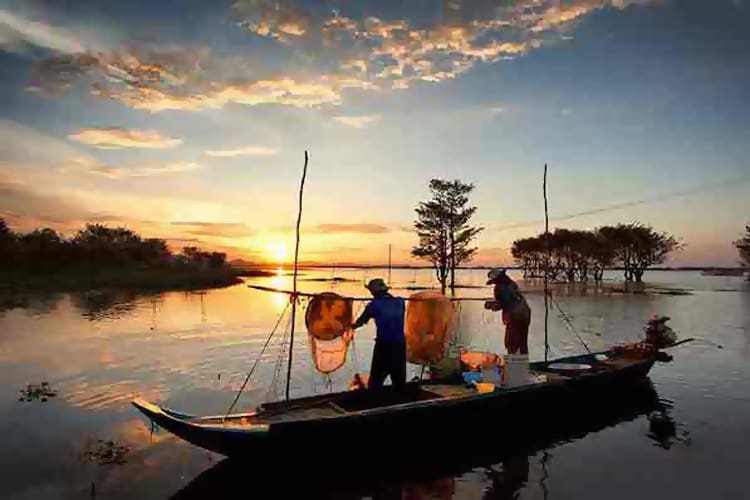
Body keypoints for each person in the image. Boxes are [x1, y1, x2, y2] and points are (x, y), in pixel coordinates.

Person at [352, 278, 407, 390]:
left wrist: (349, 326)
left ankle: (374, 403)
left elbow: (360, 322)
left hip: (384, 346)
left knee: (376, 381)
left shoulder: (373, 306)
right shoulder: (400, 302)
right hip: (400, 346)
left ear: (374, 292)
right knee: (399, 380)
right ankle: (400, 400)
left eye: (371, 291)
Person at [484, 268, 531, 355]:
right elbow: (510, 300)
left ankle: (513, 366)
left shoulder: (500, 287)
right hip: (526, 313)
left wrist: (491, 305)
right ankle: (523, 365)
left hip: (515, 315)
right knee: (522, 343)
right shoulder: (511, 283)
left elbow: (504, 303)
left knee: (511, 343)